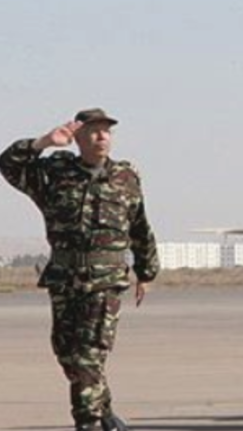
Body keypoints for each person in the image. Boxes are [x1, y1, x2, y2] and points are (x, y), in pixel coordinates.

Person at [0, 109, 159, 431]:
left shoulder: (125, 177)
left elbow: (140, 226)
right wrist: (45, 141)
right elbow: (8, 164)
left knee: (88, 355)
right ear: (78, 137)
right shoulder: (55, 173)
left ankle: (88, 424)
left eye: (107, 131)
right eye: (94, 131)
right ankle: (106, 411)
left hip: (106, 281)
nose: (102, 137)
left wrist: (147, 272)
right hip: (65, 279)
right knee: (67, 353)